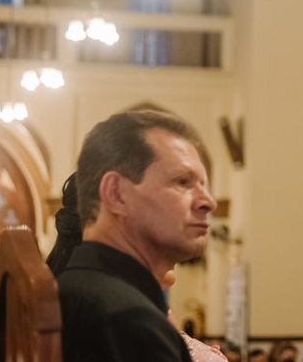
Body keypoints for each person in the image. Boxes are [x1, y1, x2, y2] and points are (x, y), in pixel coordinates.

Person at [57, 109, 216, 362]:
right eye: (182, 182)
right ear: (116, 194)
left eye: (203, 185)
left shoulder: (78, 288)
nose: (208, 202)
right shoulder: (127, 321)